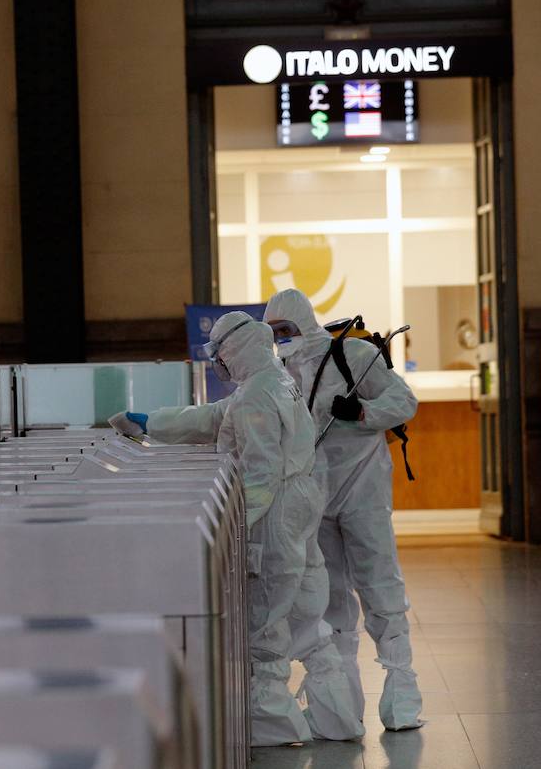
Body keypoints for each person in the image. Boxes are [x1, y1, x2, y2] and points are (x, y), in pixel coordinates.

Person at [111, 312, 363, 747]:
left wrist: (227, 532)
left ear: (234, 351)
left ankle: (273, 726)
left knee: (265, 621)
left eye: (219, 354)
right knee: (306, 617)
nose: (217, 363)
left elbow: (260, 476)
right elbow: (212, 417)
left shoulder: (256, 396)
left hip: (276, 515)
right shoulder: (274, 381)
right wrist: (152, 423)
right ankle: (338, 719)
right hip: (301, 507)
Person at [263, 288, 422, 731]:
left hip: (363, 488)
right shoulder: (279, 372)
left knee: (379, 582)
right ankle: (340, 705)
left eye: (287, 329)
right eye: (274, 332)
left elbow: (404, 402)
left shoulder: (350, 354)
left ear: (304, 323)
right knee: (328, 596)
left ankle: (401, 691)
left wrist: (361, 411)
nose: (281, 338)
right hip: (315, 495)